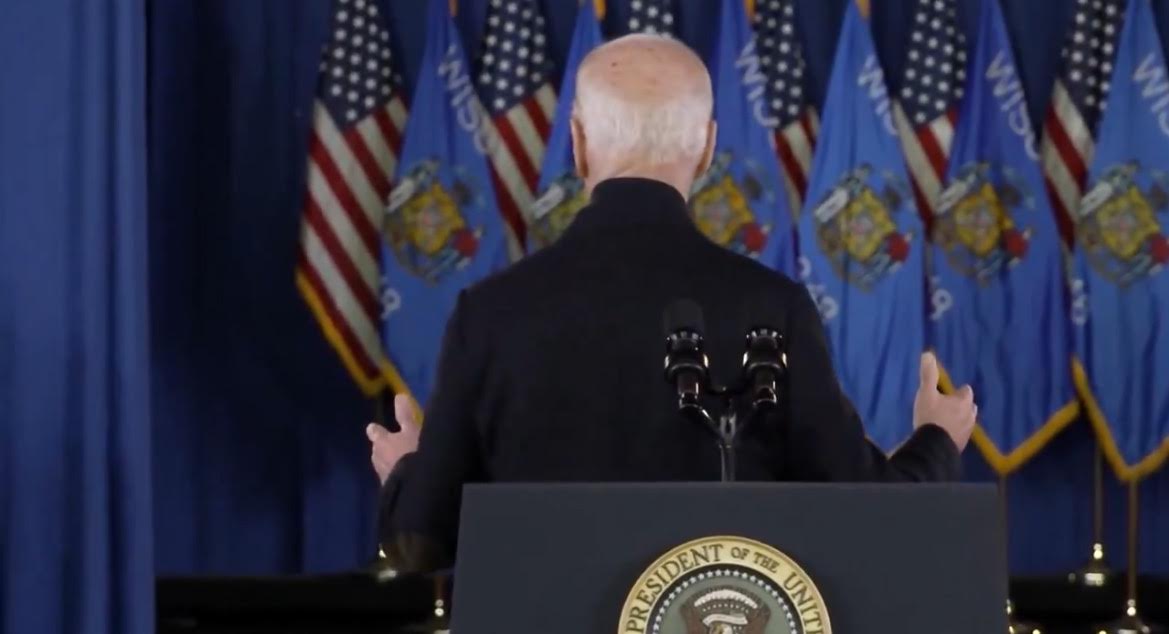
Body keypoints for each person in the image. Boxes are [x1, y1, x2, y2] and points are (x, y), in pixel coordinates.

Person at [366, 34, 977, 572]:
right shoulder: (773, 307)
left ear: (577, 142)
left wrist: (407, 472)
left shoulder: (489, 313)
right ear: (707, 147)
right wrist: (936, 439)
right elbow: (866, 515)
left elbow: (419, 544)